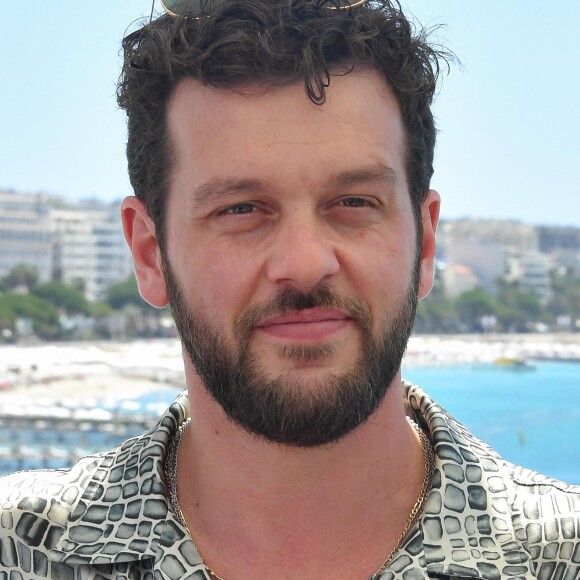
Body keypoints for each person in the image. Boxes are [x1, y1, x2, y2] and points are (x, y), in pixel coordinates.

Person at [1, 0, 579, 578]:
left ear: (425, 242)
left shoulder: (560, 555)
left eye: (353, 203)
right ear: (150, 254)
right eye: (242, 209)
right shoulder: (22, 550)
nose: (305, 264)